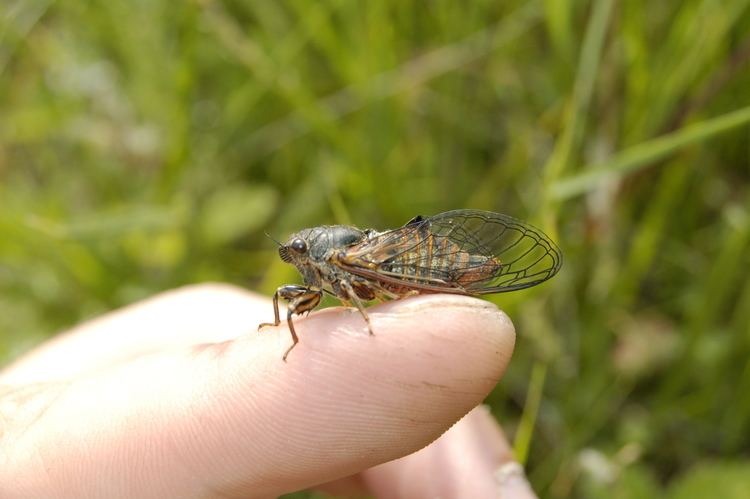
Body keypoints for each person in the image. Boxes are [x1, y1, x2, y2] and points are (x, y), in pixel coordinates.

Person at [0, 283, 536, 498]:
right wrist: (286, 331)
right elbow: (303, 298)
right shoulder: (307, 284)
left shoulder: (339, 269)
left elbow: (349, 290)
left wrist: (363, 310)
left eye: (302, 252)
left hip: (378, 270)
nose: (296, 263)